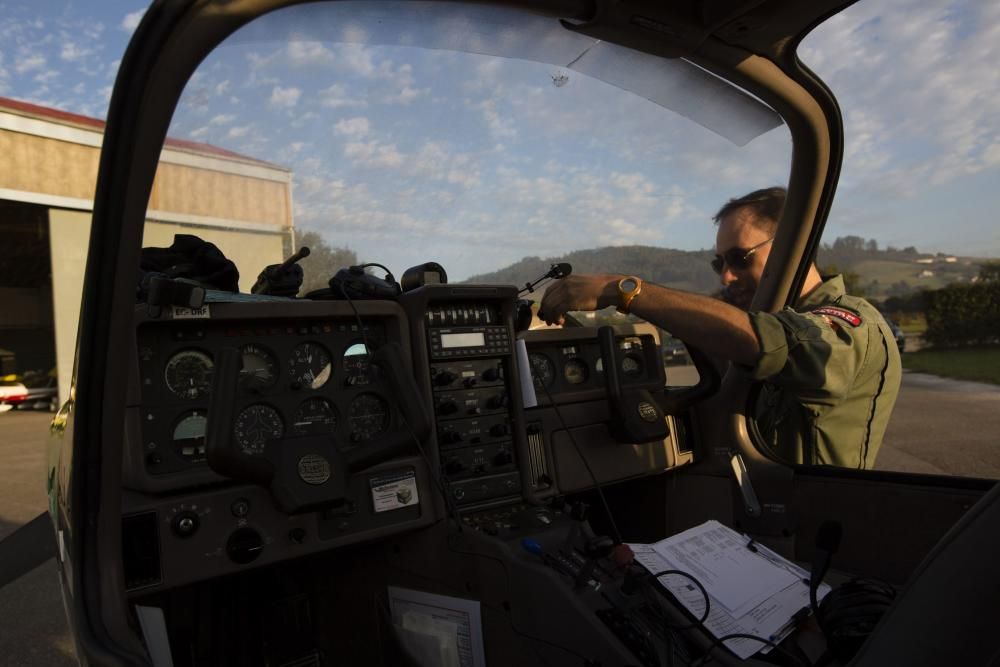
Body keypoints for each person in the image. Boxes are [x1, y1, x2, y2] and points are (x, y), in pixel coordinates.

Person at [538, 187, 901, 468]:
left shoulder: (851, 323)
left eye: (740, 259)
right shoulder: (766, 315)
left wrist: (620, 289)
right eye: (719, 263)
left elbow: (768, 342)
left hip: (811, 527)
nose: (727, 275)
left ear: (794, 246)